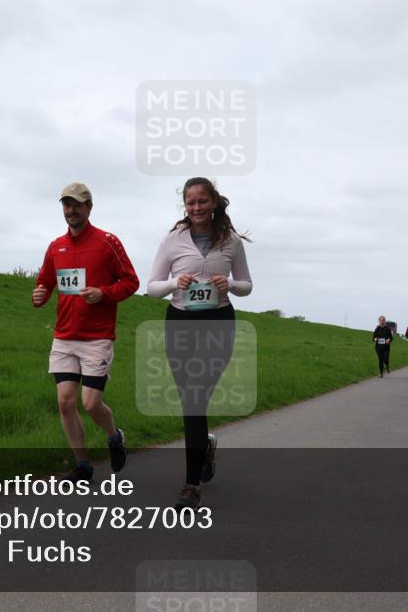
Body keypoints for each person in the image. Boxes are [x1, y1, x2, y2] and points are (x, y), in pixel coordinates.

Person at [147, 177, 253, 509]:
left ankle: (191, 485)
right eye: (190, 202)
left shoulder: (231, 241)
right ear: (185, 205)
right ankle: (203, 445)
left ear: (214, 202)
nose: (196, 207)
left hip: (218, 323)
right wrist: (173, 282)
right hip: (179, 323)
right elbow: (150, 286)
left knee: (195, 398)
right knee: (191, 402)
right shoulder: (172, 240)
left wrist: (231, 284)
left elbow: (247, 284)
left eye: (202, 201)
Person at [33, 183, 139, 482]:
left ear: (89, 207)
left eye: (77, 205)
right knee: (65, 401)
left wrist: (103, 293)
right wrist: (38, 296)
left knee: (90, 403)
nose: (71, 211)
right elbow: (44, 283)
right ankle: (83, 466)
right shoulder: (56, 246)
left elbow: (131, 282)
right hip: (64, 336)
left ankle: (113, 435)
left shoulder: (107, 242)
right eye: (66, 205)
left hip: (97, 337)